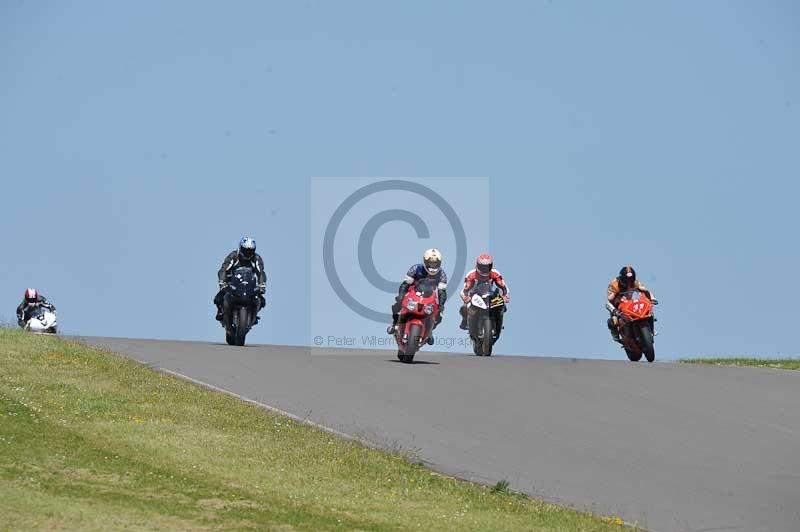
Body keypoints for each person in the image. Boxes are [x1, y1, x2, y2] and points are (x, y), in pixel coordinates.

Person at [386, 248, 447, 344]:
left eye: (435, 263)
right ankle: (394, 324)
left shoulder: (442, 274)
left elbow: (442, 292)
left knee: (439, 315)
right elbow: (405, 284)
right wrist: (401, 295)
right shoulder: (416, 269)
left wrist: (441, 304)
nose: (433, 266)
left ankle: (430, 332)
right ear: (425, 261)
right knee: (397, 304)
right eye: (431, 263)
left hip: (430, 297)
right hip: (413, 293)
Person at [214, 237, 266, 322]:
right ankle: (221, 312)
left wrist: (262, 285)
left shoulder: (257, 259)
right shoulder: (233, 256)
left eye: (250, 251)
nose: (248, 253)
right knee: (218, 298)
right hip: (232, 283)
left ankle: (253, 315)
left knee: (262, 301)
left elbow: (261, 273)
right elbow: (223, 270)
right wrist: (222, 282)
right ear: (240, 248)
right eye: (245, 251)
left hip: (249, 285)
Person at [606, 265, 657, 343]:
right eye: (626, 282)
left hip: (633, 303)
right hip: (619, 306)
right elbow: (608, 301)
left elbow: (645, 290)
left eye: (630, 282)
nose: (628, 285)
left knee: (650, 312)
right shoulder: (614, 285)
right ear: (621, 279)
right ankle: (616, 336)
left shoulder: (636, 282)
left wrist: (653, 299)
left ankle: (652, 329)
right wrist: (614, 311)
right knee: (613, 321)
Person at [458, 253, 510, 330]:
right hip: (474, 297)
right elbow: (464, 290)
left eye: (487, 267)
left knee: (503, 307)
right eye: (482, 267)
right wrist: (466, 297)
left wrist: (505, 296)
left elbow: (504, 287)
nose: (484, 269)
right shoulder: (471, 275)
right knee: (464, 308)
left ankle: (497, 322)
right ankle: (465, 321)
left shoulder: (495, 273)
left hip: (489, 295)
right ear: (477, 265)